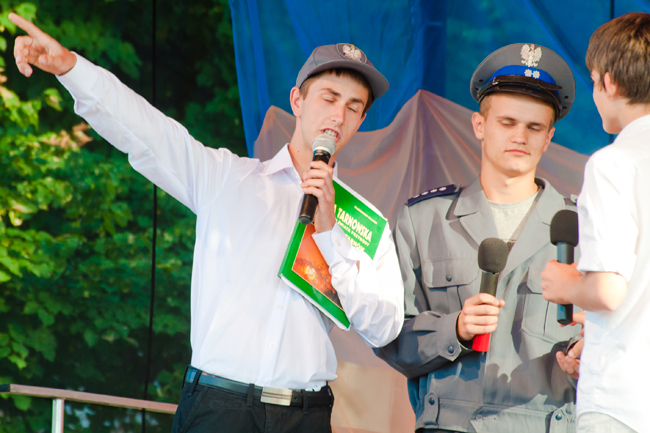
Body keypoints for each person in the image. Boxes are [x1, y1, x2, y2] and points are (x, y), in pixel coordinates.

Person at [8, 13, 404, 433]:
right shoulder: (227, 178)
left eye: (353, 107)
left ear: (361, 121)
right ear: (297, 101)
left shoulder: (363, 223)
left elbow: (383, 328)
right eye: (329, 97)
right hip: (220, 406)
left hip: (306, 414)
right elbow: (148, 132)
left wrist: (330, 236)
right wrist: (71, 68)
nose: (339, 115)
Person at [375, 43, 582, 432]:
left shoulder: (583, 229)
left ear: (549, 137)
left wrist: (589, 356)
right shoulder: (424, 221)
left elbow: (622, 334)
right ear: (479, 126)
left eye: (534, 127)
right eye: (507, 122)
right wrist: (453, 329)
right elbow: (387, 336)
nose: (520, 136)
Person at [541, 12, 650, 433]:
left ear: (610, 82)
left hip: (621, 402)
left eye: (592, 80)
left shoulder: (613, 164)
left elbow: (608, 289)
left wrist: (566, 284)